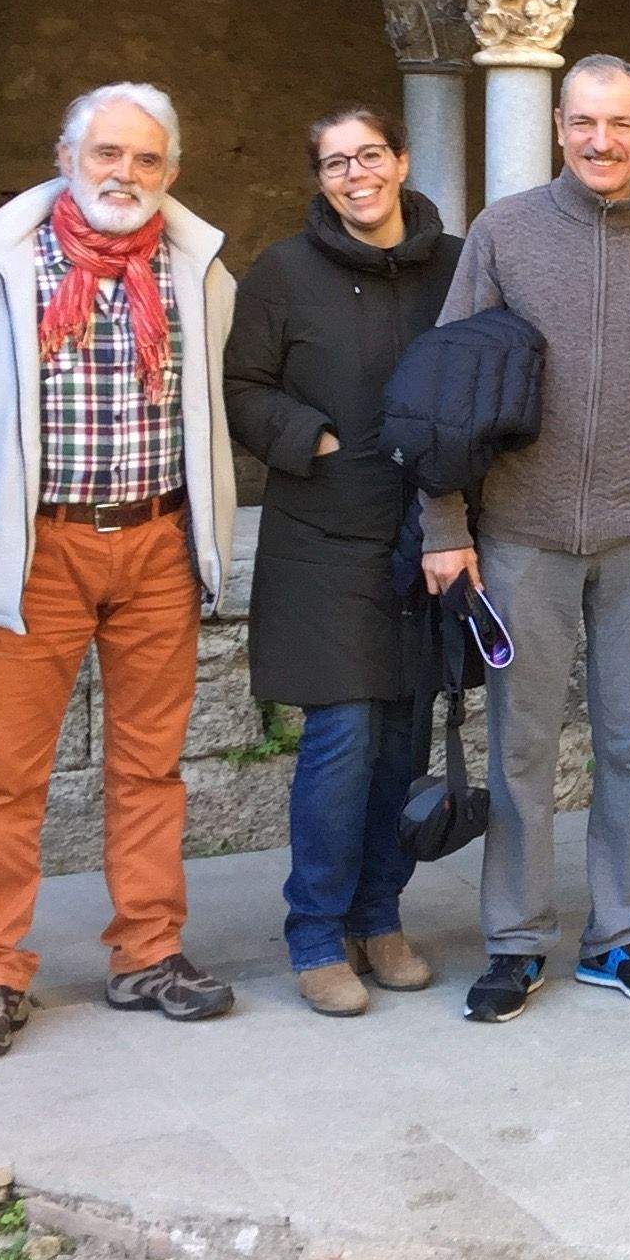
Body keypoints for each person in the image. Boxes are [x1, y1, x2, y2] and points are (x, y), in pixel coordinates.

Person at [0, 82, 244, 1058]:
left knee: (150, 766)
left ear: (172, 173)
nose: (126, 174)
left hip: (156, 542)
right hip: (42, 546)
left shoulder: (199, 272)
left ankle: (147, 950)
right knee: (7, 772)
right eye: (108, 153)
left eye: (147, 160)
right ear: (66, 155)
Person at [419, 56, 630, 1024]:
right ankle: (514, 942)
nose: (603, 141)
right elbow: (444, 388)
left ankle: (620, 936)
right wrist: (445, 523)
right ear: (558, 126)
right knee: (522, 747)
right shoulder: (505, 233)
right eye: (585, 123)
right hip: (525, 535)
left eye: (621, 124)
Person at [224, 105, 461, 1017]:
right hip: (322, 536)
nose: (356, 175)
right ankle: (316, 931)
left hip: (423, 536)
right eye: (335, 164)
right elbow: (243, 385)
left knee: (403, 735)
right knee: (343, 738)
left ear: (401, 160)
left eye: (370, 156)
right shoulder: (283, 271)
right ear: (318, 178)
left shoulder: (455, 263)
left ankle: (379, 915)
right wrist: (309, 438)